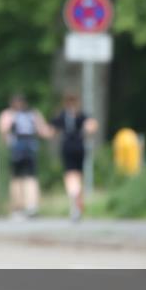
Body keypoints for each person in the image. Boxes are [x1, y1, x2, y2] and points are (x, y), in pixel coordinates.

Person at [0, 93, 52, 219]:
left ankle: (18, 208)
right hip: (31, 148)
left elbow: (3, 129)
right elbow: (44, 131)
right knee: (31, 177)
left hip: (16, 149)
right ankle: (32, 206)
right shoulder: (33, 114)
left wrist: (5, 143)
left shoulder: (8, 114)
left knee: (16, 179)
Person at [49, 92, 98, 222]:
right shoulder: (81, 115)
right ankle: (78, 201)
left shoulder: (63, 115)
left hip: (67, 147)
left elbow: (51, 131)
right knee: (78, 176)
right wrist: (85, 132)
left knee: (70, 176)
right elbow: (92, 126)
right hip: (80, 146)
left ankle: (74, 197)